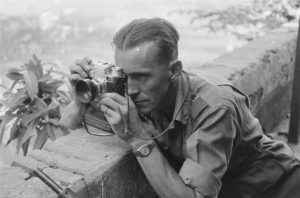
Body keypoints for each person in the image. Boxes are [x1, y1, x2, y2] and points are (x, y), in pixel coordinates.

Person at [65, 18, 300, 198]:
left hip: (279, 188)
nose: (132, 89)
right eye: (123, 76)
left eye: (142, 77)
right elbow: (66, 129)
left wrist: (137, 139)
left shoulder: (215, 107)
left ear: (174, 70)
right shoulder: (140, 93)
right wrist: (81, 97)